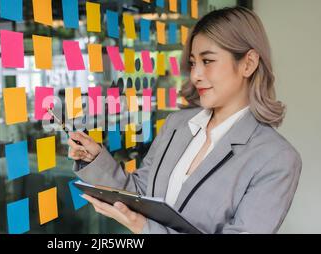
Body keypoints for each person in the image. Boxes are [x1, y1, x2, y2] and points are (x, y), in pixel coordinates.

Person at [67, 7, 302, 234]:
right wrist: (95, 159)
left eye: (207, 61)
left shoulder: (277, 159)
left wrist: (142, 227)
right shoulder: (176, 124)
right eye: (192, 63)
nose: (195, 75)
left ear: (248, 63)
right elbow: (141, 194)